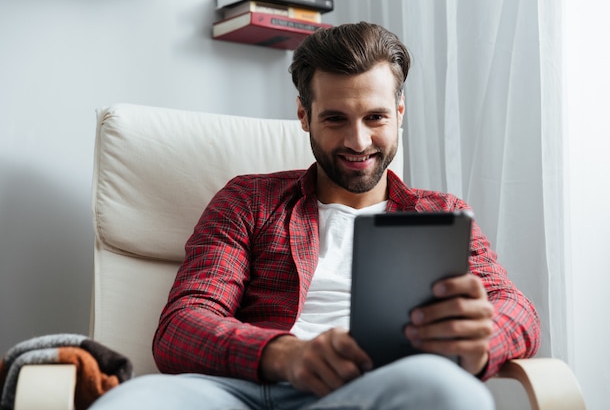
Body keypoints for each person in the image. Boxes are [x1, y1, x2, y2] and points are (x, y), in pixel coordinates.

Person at [90, 21, 540, 410]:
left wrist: (479, 342)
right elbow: (182, 325)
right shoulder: (249, 199)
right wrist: (286, 355)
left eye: (376, 117)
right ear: (304, 115)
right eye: (336, 119)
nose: (359, 141)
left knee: (450, 391)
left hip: (368, 393)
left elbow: (516, 310)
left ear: (400, 113)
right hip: (240, 391)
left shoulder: (441, 213)